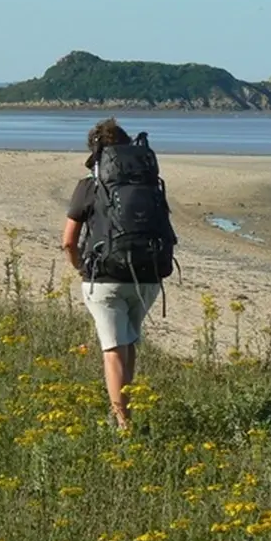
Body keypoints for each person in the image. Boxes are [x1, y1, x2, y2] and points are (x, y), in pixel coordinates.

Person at [61, 117, 169, 431]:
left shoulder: (89, 186)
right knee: (129, 342)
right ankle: (128, 411)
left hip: (104, 278)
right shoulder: (148, 183)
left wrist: (80, 266)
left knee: (112, 350)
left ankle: (123, 426)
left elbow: (68, 240)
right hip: (147, 275)